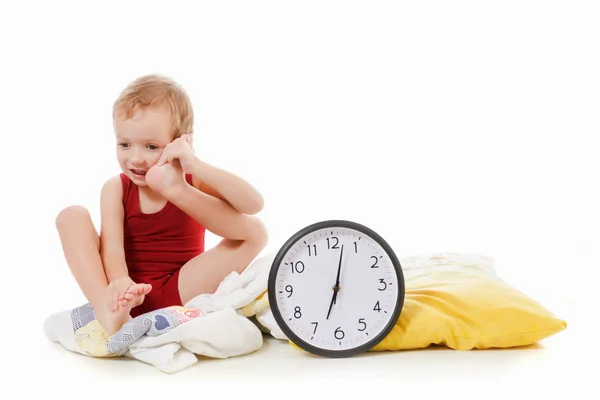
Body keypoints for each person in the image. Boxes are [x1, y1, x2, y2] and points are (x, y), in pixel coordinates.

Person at [55, 74, 268, 336]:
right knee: (70, 215)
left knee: (256, 232)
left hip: (179, 289)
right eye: (124, 144)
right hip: (125, 296)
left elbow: (254, 204)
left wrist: (190, 173)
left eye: (151, 146)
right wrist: (121, 283)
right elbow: (112, 248)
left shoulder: (193, 179)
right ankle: (105, 311)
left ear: (181, 142)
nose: (135, 158)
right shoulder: (117, 188)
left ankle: (176, 187)